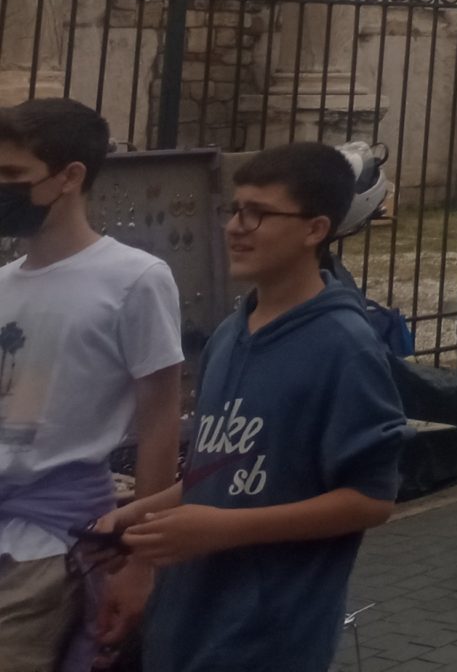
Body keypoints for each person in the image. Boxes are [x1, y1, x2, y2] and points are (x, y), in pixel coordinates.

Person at [111, 143, 403, 672]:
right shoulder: (229, 333)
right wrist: (140, 512)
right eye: (234, 209)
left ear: (315, 229)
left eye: (258, 213)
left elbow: (370, 499)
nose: (235, 227)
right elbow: (226, 471)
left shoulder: (344, 345)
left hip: (270, 633)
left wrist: (223, 529)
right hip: (188, 620)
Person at [0, 100, 182, 670]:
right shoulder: (4, 283)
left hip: (52, 542)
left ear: (70, 177)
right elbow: (21, 411)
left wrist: (139, 561)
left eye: (12, 176)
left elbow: (158, 421)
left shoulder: (133, 279)